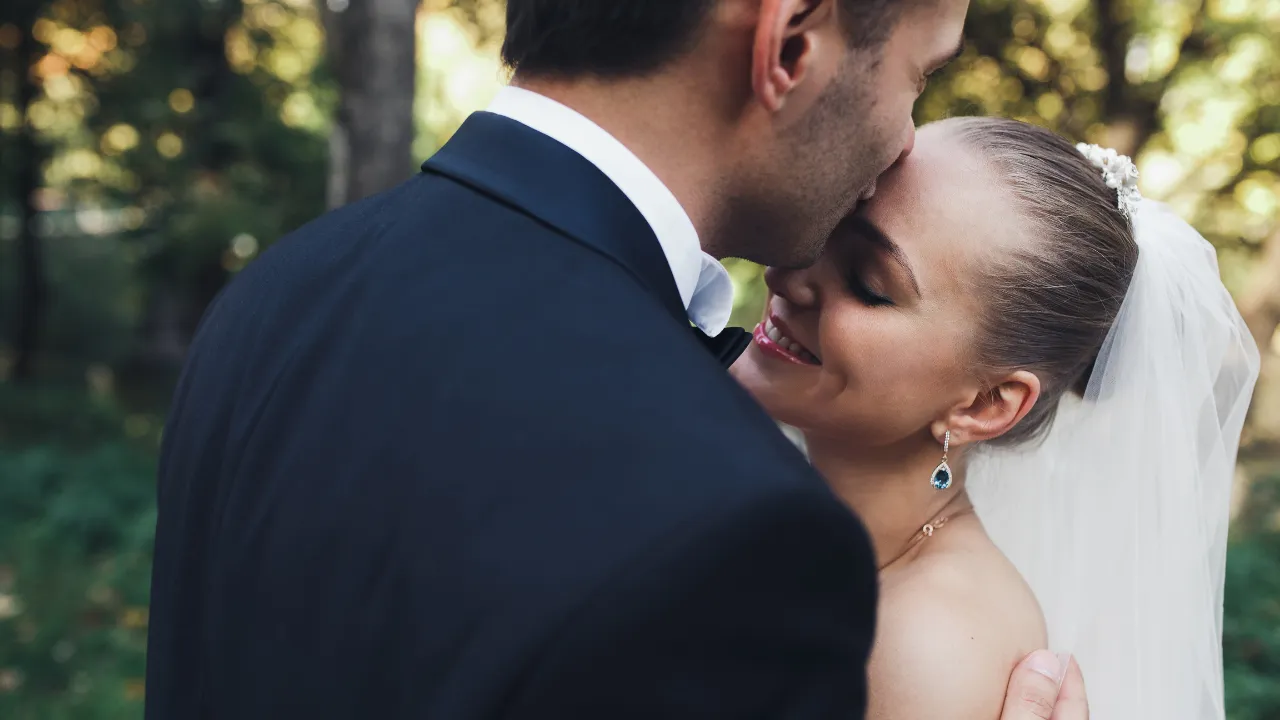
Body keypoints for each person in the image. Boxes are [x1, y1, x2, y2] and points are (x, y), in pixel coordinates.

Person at [144, 1, 1089, 718]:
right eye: (917, 79)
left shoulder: (283, 290)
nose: (899, 143)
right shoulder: (736, 529)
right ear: (790, 43)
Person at [733, 117, 1260, 718]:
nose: (788, 273)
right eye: (827, 224)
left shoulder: (930, 647)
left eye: (866, 283)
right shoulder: (807, 525)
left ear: (984, 405)